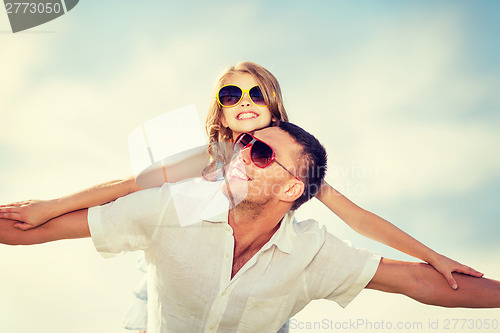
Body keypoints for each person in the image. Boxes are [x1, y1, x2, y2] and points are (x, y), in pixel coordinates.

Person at [0, 62, 482, 331]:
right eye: (231, 96)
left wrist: (431, 255)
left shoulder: (293, 159)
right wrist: (52, 205)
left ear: (274, 106)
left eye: (256, 93)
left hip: (258, 287)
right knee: (154, 303)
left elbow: (359, 220)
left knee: (268, 310)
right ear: (221, 113)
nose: (245, 103)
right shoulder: (208, 156)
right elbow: (132, 184)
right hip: (181, 263)